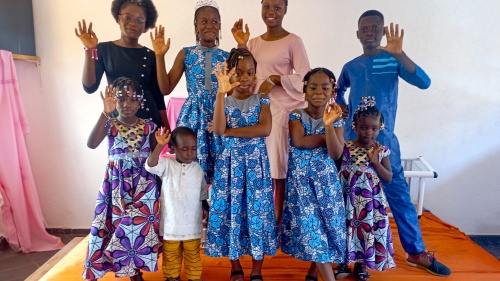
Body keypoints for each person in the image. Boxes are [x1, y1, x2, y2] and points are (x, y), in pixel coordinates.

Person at [335, 10, 451, 277]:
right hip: (352, 145)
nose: (369, 32)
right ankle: (346, 254)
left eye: (375, 28)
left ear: (383, 31)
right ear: (357, 33)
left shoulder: (392, 60)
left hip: (384, 144)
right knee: (348, 199)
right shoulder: (351, 66)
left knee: (399, 197)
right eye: (364, 28)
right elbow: (338, 89)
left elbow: (424, 82)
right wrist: (342, 109)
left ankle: (416, 252)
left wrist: (400, 54)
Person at [231, 0, 311, 226]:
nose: (271, 12)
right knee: (256, 167)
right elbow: (241, 72)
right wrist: (241, 45)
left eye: (277, 6)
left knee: (277, 169)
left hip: (279, 112)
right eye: (267, 6)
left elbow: (306, 78)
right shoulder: (254, 43)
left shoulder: (293, 41)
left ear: (285, 9)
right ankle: (257, 218)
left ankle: (276, 223)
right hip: (255, 112)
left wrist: (276, 79)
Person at [205, 48, 277, 281]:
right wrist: (219, 94)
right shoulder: (223, 101)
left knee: (257, 214)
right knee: (230, 212)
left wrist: (230, 131)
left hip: (256, 167)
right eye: (239, 73)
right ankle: (235, 265)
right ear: (229, 74)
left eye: (250, 73)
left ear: (255, 75)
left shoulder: (262, 99)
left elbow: (264, 129)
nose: (245, 78)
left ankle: (257, 269)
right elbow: (217, 130)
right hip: (229, 168)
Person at [82, 77, 161, 281]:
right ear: (113, 101)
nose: (127, 104)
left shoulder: (149, 126)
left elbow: (154, 158)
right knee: (120, 225)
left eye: (133, 99)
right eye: (121, 99)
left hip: (145, 185)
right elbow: (91, 143)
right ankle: (131, 272)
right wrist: (105, 113)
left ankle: (136, 268)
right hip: (117, 186)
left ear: (140, 101)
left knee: (140, 226)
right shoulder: (109, 124)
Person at [150, 0, 229, 183]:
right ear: (196, 25)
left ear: (219, 26)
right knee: (190, 167)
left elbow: (236, 91)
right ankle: (193, 208)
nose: (209, 25)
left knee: (220, 166)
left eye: (214, 22)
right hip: (193, 116)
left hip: (218, 116)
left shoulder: (227, 56)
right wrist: (159, 56)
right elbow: (165, 87)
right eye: (204, 21)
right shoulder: (186, 53)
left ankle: (213, 209)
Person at [281, 68, 346, 281]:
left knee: (325, 228)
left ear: (332, 91)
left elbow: (336, 153)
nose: (319, 92)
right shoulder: (295, 115)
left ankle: (312, 272)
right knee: (311, 228)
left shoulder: (335, 118)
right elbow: (300, 142)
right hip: (301, 184)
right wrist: (328, 138)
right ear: (305, 91)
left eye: (325, 88)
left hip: (326, 184)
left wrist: (328, 127)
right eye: (313, 87)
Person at [75, 0, 168, 129]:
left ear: (146, 25)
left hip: (149, 123)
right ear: (119, 18)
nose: (133, 23)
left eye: (139, 20)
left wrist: (167, 129)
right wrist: (89, 50)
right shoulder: (104, 49)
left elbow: (158, 97)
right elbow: (89, 87)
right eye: (127, 17)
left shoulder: (151, 55)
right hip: (118, 122)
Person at [337, 96, 395, 281]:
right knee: (344, 227)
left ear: (381, 128)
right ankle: (343, 262)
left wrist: (375, 161)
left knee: (365, 229)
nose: (368, 132)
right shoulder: (345, 147)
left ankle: (361, 265)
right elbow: (336, 169)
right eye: (364, 127)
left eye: (374, 128)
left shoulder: (382, 150)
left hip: (370, 202)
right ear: (354, 126)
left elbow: (388, 177)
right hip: (346, 199)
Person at [145, 126, 209, 281]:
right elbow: (150, 165)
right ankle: (172, 277)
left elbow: (202, 192)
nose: (190, 153)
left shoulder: (198, 169)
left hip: (192, 224)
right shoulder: (166, 165)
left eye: (193, 149)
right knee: (171, 255)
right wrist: (160, 145)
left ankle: (194, 277)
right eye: (184, 149)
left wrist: (206, 207)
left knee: (193, 255)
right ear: (173, 149)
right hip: (171, 225)